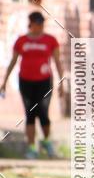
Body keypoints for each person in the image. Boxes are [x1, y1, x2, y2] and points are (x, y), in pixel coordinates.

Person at [0, 10, 64, 159]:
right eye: (37, 24)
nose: (40, 26)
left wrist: (62, 82)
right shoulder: (21, 41)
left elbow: (57, 61)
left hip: (44, 81)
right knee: (30, 113)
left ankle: (47, 142)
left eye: (42, 24)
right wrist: (4, 81)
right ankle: (31, 148)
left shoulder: (50, 40)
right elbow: (13, 61)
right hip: (26, 81)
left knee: (43, 112)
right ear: (31, 24)